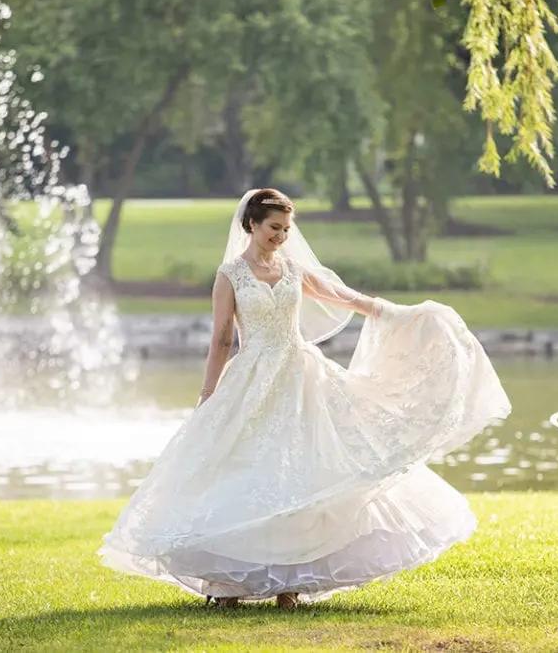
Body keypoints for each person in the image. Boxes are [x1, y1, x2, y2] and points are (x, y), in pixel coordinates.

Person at [98, 188, 512, 609]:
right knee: (245, 471)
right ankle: (227, 584)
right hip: (253, 378)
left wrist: (395, 313)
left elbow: (344, 297)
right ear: (252, 225)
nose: (281, 235)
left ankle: (289, 585)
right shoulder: (230, 276)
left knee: (301, 474)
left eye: (286, 229)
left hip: (301, 375)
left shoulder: (294, 269)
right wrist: (209, 393)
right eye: (274, 227)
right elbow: (222, 338)